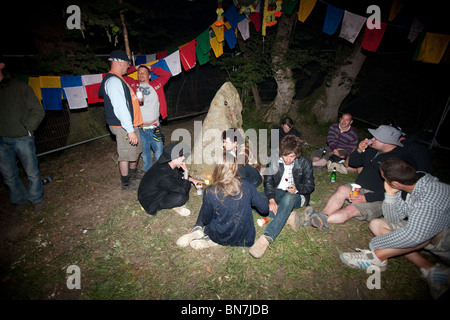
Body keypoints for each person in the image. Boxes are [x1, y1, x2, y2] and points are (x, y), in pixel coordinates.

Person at [340, 158, 450, 300]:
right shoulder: (410, 184)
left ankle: (376, 258)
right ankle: (431, 269)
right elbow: (393, 219)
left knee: (418, 235)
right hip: (426, 230)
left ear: (396, 183)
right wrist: (390, 195)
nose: (382, 181)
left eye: (384, 178)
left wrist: (376, 246)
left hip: (444, 239)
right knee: (376, 225)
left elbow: (415, 237)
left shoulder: (428, 201)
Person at [304, 125, 404, 231]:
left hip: (378, 198)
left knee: (351, 209)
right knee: (342, 189)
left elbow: (392, 191)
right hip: (359, 188)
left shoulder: (398, 160)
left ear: (385, 141)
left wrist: (366, 198)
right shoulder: (373, 150)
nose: (372, 139)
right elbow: (353, 163)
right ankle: (323, 215)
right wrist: (359, 150)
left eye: (376, 138)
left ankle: (315, 220)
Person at [176, 152, 269, 249]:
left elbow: (206, 219)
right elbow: (264, 209)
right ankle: (203, 235)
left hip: (219, 236)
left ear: (217, 168)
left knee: (210, 209)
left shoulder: (211, 191)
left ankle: (203, 234)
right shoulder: (247, 185)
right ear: (235, 167)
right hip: (244, 238)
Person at [249, 135, 315, 258]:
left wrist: (298, 189)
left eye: (292, 156)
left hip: (296, 195)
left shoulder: (305, 162)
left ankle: (267, 238)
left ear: (297, 154)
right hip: (278, 191)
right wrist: (271, 199)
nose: (288, 160)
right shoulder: (274, 159)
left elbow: (310, 186)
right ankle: (287, 215)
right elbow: (268, 180)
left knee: (288, 199)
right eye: (285, 156)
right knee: (253, 201)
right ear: (281, 152)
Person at [0, 57, 45, 214]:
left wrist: (28, 128)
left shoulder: (19, 87)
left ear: (2, 65)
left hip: (22, 137)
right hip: (1, 140)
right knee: (9, 175)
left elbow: (38, 110)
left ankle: (36, 199)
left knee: (31, 170)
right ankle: (19, 200)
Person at [99, 50, 143, 190]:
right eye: (127, 64)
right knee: (125, 154)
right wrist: (129, 130)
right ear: (120, 62)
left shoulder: (119, 78)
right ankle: (125, 183)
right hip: (123, 126)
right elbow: (120, 107)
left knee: (137, 151)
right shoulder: (113, 81)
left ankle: (133, 173)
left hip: (132, 124)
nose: (128, 67)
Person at [138, 142, 203, 216]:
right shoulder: (164, 176)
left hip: (158, 191)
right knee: (181, 198)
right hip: (151, 201)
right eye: (180, 156)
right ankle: (167, 205)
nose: (183, 158)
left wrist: (193, 180)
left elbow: (178, 175)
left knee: (185, 182)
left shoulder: (167, 164)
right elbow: (183, 190)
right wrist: (186, 172)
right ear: (173, 159)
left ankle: (171, 203)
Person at [134, 64, 171, 172]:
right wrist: (134, 68)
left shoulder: (156, 84)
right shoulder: (133, 86)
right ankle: (147, 172)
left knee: (159, 151)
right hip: (141, 129)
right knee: (145, 153)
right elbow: (122, 75)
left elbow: (166, 74)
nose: (141, 74)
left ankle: (160, 172)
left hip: (155, 126)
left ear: (149, 76)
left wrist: (151, 68)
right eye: (139, 72)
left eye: (144, 72)